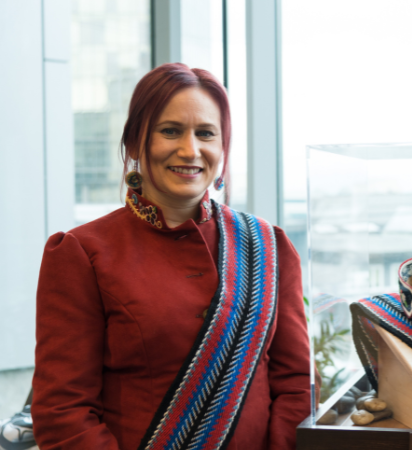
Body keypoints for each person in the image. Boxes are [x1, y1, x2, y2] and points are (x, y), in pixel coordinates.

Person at [32, 63, 311, 450]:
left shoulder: (268, 246)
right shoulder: (83, 252)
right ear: (134, 144)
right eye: (170, 131)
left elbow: (294, 386)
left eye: (206, 134)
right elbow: (63, 410)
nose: (190, 150)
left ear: (223, 147)